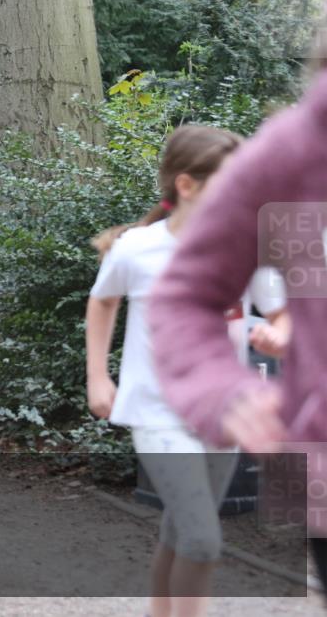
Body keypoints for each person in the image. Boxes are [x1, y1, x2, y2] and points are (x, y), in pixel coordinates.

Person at [85, 125, 290, 617]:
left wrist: (278, 335)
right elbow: (102, 301)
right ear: (187, 184)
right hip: (157, 414)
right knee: (202, 539)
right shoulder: (136, 249)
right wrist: (98, 375)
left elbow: (280, 312)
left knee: (180, 532)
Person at [149, 73, 327, 588]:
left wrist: (288, 333)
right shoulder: (293, 151)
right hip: (165, 408)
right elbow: (181, 299)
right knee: (194, 532)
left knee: (189, 529)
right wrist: (222, 390)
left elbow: (282, 309)